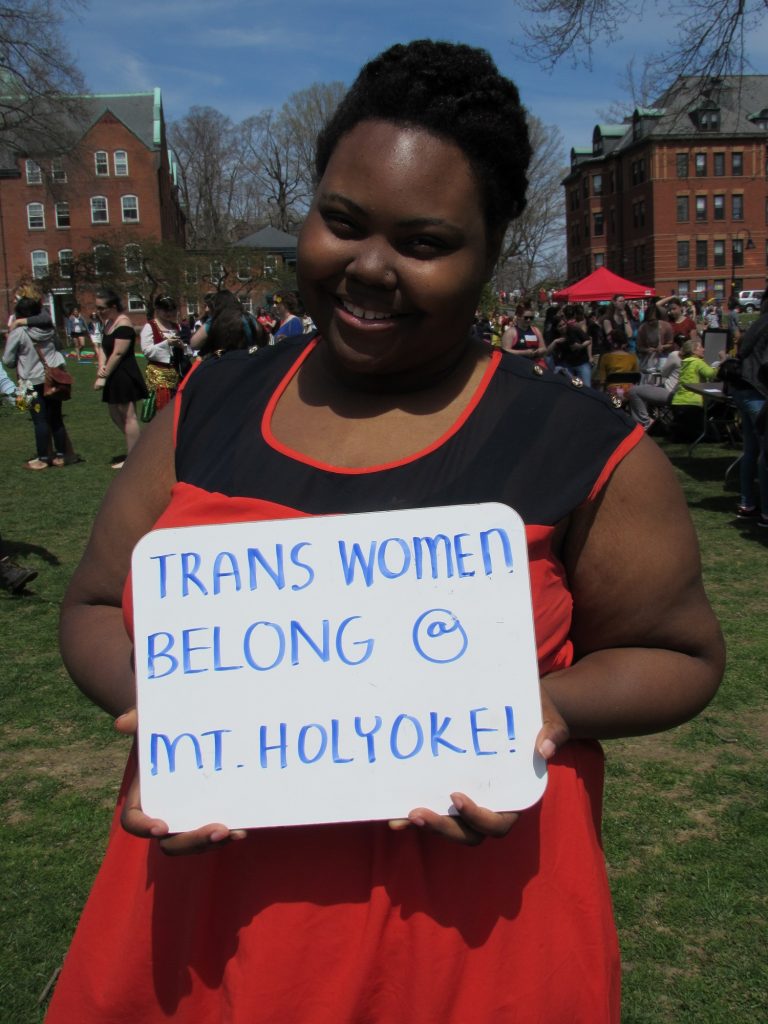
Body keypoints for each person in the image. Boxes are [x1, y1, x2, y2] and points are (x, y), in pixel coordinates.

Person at [48, 40, 724, 1024]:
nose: (369, 268)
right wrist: (169, 713)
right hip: (201, 943)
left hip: (469, 956)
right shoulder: (209, 405)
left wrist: (542, 709)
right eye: (342, 222)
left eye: (423, 241)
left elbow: (680, 654)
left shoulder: (579, 446)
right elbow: (98, 604)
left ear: (491, 250)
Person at [3, 296, 70, 469]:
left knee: (39, 420)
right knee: (56, 418)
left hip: (31, 379)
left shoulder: (19, 332)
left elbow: (8, 360)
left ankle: (43, 458)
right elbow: (59, 346)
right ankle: (61, 456)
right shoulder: (49, 328)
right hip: (52, 377)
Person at [725, 288, 768, 525]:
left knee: (752, 450)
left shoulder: (757, 323)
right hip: (755, 390)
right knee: (765, 453)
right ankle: (765, 512)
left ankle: (747, 503)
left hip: (742, 388)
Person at [93, 289, 148, 468]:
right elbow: (103, 348)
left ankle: (134, 458)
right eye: (97, 308)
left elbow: (118, 353)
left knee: (128, 416)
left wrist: (104, 375)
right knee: (114, 413)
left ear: (113, 306)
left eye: (102, 308)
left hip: (124, 374)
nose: (99, 311)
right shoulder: (108, 323)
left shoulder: (123, 324)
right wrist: (101, 367)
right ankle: (137, 448)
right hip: (112, 373)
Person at [139, 296, 185, 414]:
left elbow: (188, 349)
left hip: (176, 373)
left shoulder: (176, 327)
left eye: (171, 310)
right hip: (159, 374)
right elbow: (147, 351)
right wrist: (167, 343)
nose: (169, 313)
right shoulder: (150, 327)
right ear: (157, 309)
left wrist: (182, 347)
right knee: (162, 408)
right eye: (166, 310)